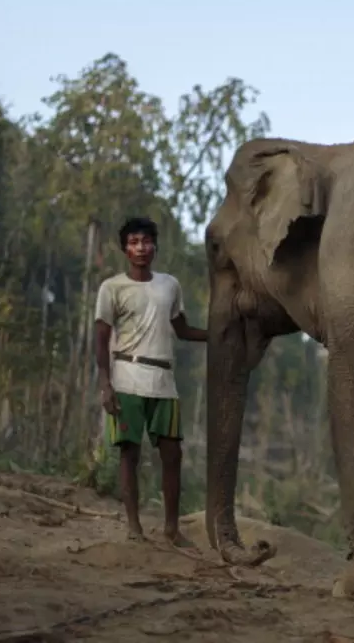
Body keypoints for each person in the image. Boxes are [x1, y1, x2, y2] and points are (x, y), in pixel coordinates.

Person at [93, 216, 208, 547]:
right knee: (129, 453)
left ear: (155, 246)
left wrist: (217, 335)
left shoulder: (169, 285)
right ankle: (134, 526)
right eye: (133, 242)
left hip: (163, 380)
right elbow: (101, 339)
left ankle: (172, 528)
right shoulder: (112, 288)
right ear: (124, 249)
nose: (140, 248)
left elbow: (182, 330)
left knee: (172, 454)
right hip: (127, 377)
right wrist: (105, 384)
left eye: (145, 241)